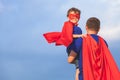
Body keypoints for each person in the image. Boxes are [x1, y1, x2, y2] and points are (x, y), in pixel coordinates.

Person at [43, 7, 83, 80]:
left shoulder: (71, 26)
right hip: (74, 48)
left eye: (77, 16)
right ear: (68, 17)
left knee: (78, 66)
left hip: (73, 48)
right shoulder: (69, 26)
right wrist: (80, 35)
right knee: (79, 68)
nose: (75, 18)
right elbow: (68, 35)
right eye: (72, 16)